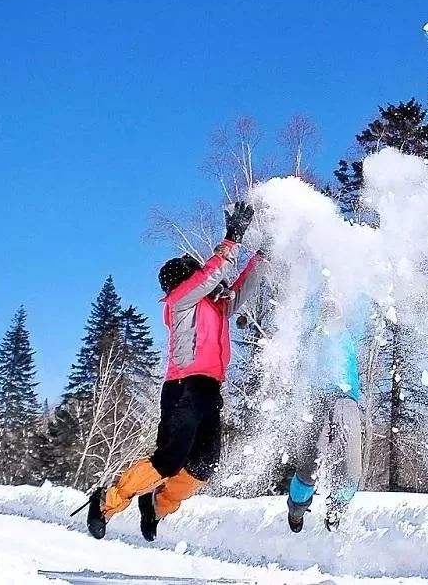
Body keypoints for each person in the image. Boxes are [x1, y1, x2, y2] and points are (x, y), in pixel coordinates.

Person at [86, 201, 266, 540]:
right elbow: (211, 274)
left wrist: (262, 257)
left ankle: (155, 505)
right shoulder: (180, 300)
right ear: (184, 280)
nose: (210, 282)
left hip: (209, 389)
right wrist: (233, 237)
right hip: (184, 388)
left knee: (203, 465)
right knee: (169, 459)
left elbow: (241, 288)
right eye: (197, 275)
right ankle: (106, 503)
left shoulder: (215, 306)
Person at [286, 295, 363, 533]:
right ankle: (297, 509)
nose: (330, 316)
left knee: (350, 469)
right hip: (316, 399)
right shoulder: (313, 336)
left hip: (345, 400)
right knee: (309, 466)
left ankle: (336, 508)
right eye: (325, 312)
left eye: (334, 312)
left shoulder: (346, 334)